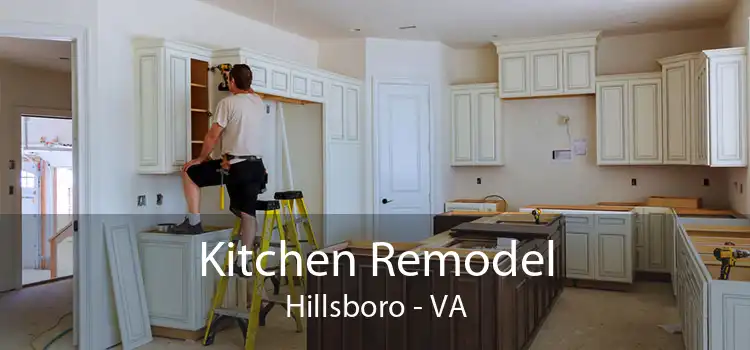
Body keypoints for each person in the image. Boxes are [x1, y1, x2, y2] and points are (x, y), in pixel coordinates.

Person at [173, 64, 267, 272]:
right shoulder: (258, 101)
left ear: (232, 81)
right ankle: (243, 262)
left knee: (189, 172)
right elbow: (248, 92)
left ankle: (194, 222)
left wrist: (201, 158)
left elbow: (213, 135)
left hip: (234, 165)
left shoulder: (227, 103)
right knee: (247, 213)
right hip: (257, 167)